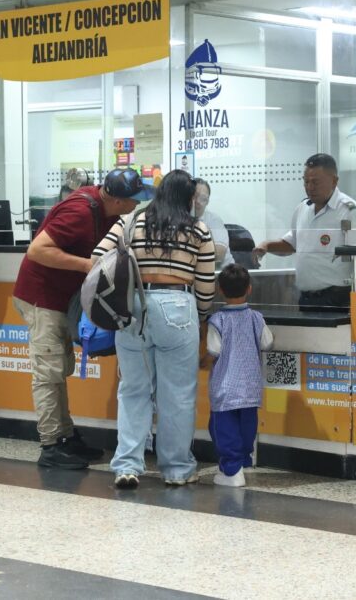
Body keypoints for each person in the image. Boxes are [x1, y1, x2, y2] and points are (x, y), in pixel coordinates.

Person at [13, 168, 144, 469]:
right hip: (42, 298)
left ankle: (66, 437)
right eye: (134, 199)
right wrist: (87, 265)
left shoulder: (106, 210)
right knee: (48, 374)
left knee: (58, 371)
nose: (138, 204)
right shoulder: (80, 212)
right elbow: (37, 250)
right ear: (118, 200)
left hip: (59, 299)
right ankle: (50, 446)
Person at [94, 169, 216, 489]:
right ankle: (176, 469)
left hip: (133, 307)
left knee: (133, 390)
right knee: (177, 395)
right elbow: (206, 284)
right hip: (179, 307)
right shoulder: (198, 230)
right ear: (189, 199)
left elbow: (98, 258)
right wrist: (202, 317)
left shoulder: (129, 222)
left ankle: (127, 465)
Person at [253, 154, 356, 310]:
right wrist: (266, 246)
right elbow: (292, 244)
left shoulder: (348, 211)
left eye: (315, 182)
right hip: (306, 298)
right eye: (306, 182)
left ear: (334, 181)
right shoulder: (302, 209)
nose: (310, 187)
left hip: (337, 298)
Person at [206, 264, 273, 487]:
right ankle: (244, 461)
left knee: (224, 429)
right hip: (250, 386)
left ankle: (231, 470)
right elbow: (267, 342)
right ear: (249, 289)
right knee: (247, 427)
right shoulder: (256, 318)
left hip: (225, 387)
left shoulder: (217, 320)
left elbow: (213, 349)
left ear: (220, 290)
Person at [193, 178, 231, 270]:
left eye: (203, 198)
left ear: (207, 202)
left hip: (223, 273)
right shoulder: (180, 219)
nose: (198, 201)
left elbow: (218, 256)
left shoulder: (213, 220)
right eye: (195, 196)